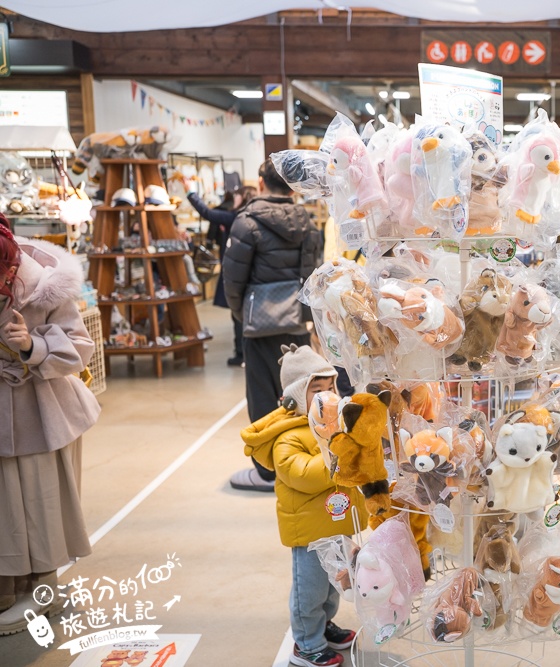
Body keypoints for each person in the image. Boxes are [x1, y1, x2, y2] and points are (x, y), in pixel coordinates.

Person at [0, 216, 101, 634]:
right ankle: (10, 583)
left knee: (43, 503)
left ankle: (44, 587)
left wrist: (31, 345)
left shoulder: (44, 283)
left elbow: (80, 348)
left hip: (43, 411)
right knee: (6, 507)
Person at [242, 344, 364, 667]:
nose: (327, 397)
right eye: (317, 391)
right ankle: (307, 643)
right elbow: (301, 474)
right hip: (309, 532)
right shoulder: (288, 436)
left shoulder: (331, 425)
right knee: (308, 591)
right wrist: (337, 459)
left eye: (330, 388)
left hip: (334, 523)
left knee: (333, 585)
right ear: (296, 396)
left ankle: (324, 624)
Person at [224, 158, 323, 492]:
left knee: (263, 396)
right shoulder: (307, 222)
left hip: (260, 323)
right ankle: (302, 458)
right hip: (296, 321)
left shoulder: (246, 222)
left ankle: (267, 471)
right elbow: (313, 278)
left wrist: (242, 315)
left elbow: (233, 280)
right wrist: (309, 320)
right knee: (300, 393)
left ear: (261, 182)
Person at [188, 185, 258, 367]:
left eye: (236, 196)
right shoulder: (255, 216)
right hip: (255, 274)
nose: (233, 199)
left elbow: (207, 213)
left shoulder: (235, 217)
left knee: (238, 315)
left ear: (242, 197)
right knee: (249, 314)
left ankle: (242, 354)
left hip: (238, 274)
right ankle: (247, 353)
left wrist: (191, 193)